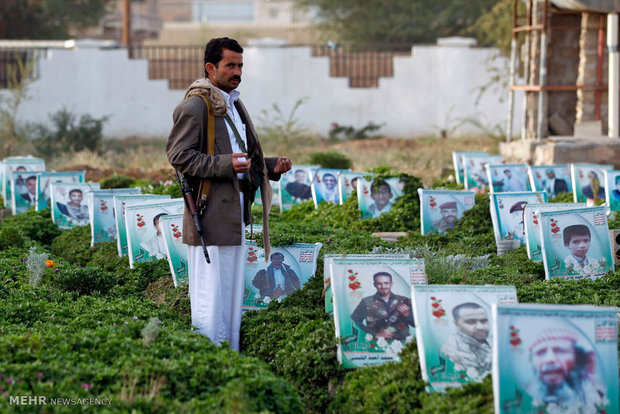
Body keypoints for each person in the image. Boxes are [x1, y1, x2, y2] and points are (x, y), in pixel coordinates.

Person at [166, 37, 291, 351]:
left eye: (240, 65)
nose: (237, 71)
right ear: (211, 68)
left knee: (231, 293)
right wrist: (223, 165)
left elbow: (240, 157)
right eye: (230, 65)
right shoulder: (196, 105)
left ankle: (229, 356)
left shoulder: (232, 102)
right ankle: (210, 358)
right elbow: (179, 156)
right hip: (210, 215)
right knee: (211, 294)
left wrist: (271, 166)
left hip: (234, 213)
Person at [525, 328, 606, 408]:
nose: (549, 359)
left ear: (577, 357)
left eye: (560, 351)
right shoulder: (523, 394)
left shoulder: (599, 394)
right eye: (541, 352)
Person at [350, 271, 414, 341]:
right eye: (379, 284)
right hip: (377, 345)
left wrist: (407, 315)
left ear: (391, 284)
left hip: (404, 344)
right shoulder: (366, 302)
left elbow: (415, 324)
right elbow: (354, 321)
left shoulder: (404, 301)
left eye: (386, 283)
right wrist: (375, 334)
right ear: (374, 285)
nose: (383, 286)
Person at [440, 302, 491, 374]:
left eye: (484, 321)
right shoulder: (453, 350)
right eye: (471, 322)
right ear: (456, 324)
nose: (480, 327)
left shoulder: (491, 342)